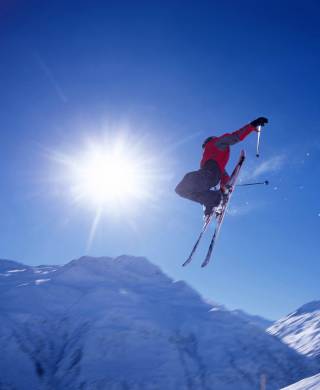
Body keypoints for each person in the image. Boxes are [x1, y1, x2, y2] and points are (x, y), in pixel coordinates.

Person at [175, 117, 268, 216]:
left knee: (184, 184)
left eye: (203, 147)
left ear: (206, 142)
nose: (203, 150)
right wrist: (224, 189)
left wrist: (252, 125)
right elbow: (223, 175)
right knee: (183, 190)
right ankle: (211, 205)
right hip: (210, 177)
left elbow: (234, 136)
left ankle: (215, 199)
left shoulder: (215, 143)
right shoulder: (210, 157)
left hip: (209, 175)